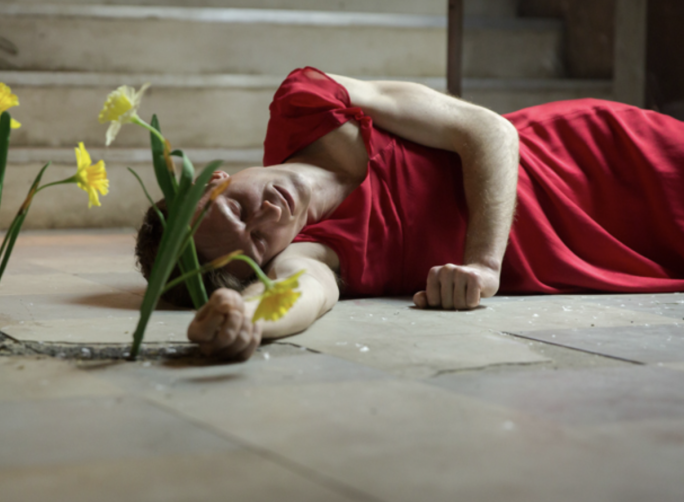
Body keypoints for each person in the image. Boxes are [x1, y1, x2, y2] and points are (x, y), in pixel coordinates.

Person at [136, 67, 684, 362]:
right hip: (593, 252)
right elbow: (299, 294)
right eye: (258, 241)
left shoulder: (309, 106)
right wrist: (245, 318)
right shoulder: (313, 253)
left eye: (237, 207)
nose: (266, 214)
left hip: (595, 156)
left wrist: (483, 264)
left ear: (215, 180)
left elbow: (489, 130)